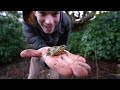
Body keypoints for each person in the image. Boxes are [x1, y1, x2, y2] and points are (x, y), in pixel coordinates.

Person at [21, 11, 90, 79]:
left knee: (55, 76)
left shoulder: (66, 21)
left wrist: (60, 51)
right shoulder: (28, 19)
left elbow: (63, 43)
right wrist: (45, 53)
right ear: (35, 12)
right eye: (42, 13)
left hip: (56, 53)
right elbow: (33, 40)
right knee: (33, 75)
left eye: (55, 13)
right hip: (37, 51)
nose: (49, 21)